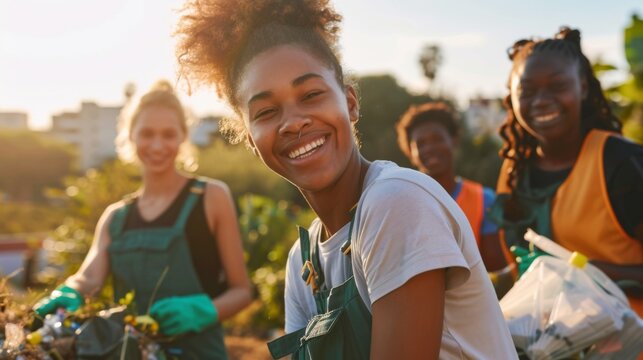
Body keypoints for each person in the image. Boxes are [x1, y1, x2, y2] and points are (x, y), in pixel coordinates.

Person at [175, 0, 517, 358]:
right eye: (266, 111)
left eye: (310, 95)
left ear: (351, 103)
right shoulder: (303, 262)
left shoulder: (396, 202)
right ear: (251, 141)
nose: (293, 122)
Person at [33, 81, 252, 358]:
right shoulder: (117, 216)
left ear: (183, 137)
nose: (157, 145)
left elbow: (241, 291)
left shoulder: (210, 197)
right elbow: (88, 279)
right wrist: (68, 293)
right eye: (147, 134)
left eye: (168, 134)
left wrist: (204, 311)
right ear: (130, 136)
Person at [490, 27, 643, 316]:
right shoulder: (514, 169)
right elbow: (523, 268)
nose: (541, 100)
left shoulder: (621, 163)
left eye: (558, 86)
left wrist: (580, 271)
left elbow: (555, 270)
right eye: (528, 91)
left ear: (583, 87)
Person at [396, 102, 507, 273]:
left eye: (437, 139)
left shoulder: (483, 199)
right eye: (421, 143)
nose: (430, 148)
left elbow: (496, 268)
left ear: (453, 141)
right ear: (410, 152)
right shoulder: (401, 205)